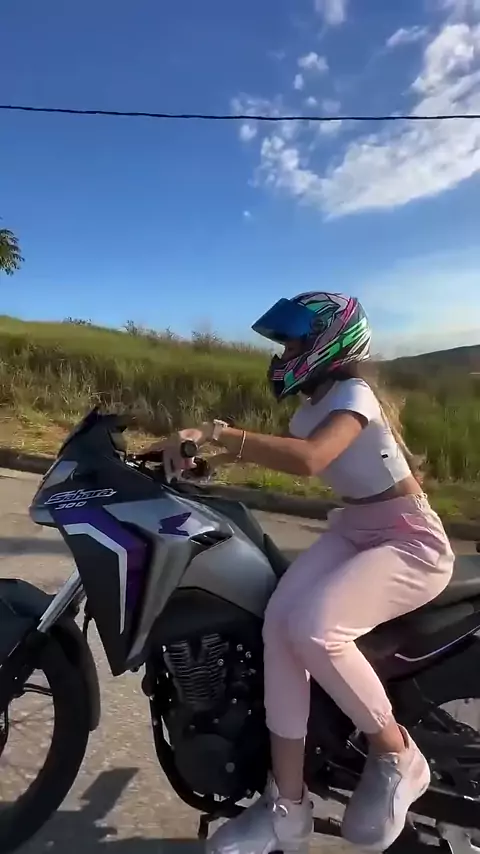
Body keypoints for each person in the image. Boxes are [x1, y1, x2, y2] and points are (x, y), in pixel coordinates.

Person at [150, 292, 455, 853]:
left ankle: (397, 753)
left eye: (294, 342)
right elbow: (285, 450)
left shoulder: (354, 395)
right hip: (354, 530)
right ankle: (286, 806)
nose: (284, 353)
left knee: (317, 629)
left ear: (330, 342)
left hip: (409, 539)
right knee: (278, 627)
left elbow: (311, 458)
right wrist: (191, 458)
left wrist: (216, 431)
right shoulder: (313, 407)